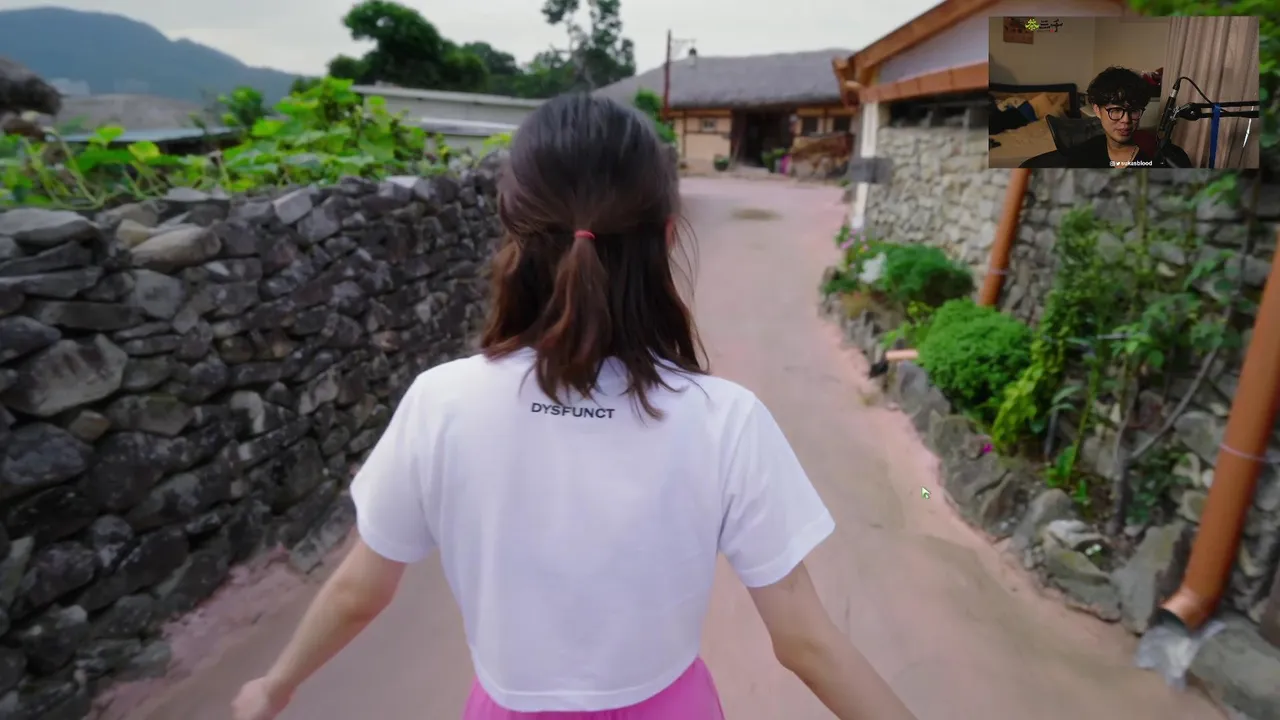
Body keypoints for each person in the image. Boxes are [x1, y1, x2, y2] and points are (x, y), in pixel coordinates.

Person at [231, 94, 917, 720]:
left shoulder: (440, 402)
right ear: (667, 237)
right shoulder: (726, 420)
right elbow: (805, 640)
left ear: (513, 230)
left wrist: (274, 686)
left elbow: (361, 590)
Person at [1022, 66, 1192, 169]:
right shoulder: (1082, 155)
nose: (1126, 120)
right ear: (1097, 110)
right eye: (1116, 110)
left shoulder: (1155, 158)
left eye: (1133, 111)